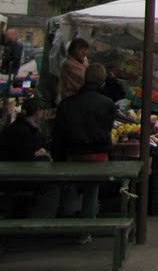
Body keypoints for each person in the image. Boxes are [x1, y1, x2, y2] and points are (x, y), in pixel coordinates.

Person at [52, 63, 116, 242]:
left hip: (72, 154)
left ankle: (65, 221)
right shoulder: (107, 104)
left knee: (70, 188)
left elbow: (58, 134)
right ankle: (85, 230)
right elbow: (107, 132)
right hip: (98, 156)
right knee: (91, 190)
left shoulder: (67, 104)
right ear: (102, 82)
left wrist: (57, 157)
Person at [0, 97, 60, 218]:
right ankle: (43, 220)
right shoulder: (24, 130)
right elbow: (22, 156)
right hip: (16, 176)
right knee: (52, 184)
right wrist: (38, 154)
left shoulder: (19, 126)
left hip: (11, 173)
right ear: (38, 111)